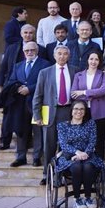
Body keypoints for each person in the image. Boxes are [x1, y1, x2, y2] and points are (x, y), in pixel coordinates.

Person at [32, 45, 78, 185]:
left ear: (68, 56)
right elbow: (38, 96)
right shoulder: (45, 72)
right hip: (50, 113)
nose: (62, 56)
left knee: (67, 145)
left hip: (69, 112)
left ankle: (64, 174)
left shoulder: (75, 71)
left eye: (65, 54)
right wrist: (37, 115)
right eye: (59, 54)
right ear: (54, 56)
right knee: (49, 145)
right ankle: (47, 174)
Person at [2, 41, 51, 167]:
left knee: (38, 131)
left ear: (37, 51)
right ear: (23, 52)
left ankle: (36, 157)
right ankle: (21, 157)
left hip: (38, 103)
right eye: (27, 51)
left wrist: (29, 89)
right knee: (20, 130)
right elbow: (12, 80)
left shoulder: (45, 64)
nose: (29, 52)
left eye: (32, 50)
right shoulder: (18, 65)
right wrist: (18, 88)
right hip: (20, 103)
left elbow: (46, 82)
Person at [55, 101, 105, 208]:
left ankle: (88, 198)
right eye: (76, 109)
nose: (79, 111)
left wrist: (85, 154)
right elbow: (64, 144)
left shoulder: (91, 124)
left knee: (87, 166)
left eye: (82, 109)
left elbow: (92, 141)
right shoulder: (62, 126)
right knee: (76, 166)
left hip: (88, 155)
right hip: (69, 156)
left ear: (85, 111)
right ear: (71, 111)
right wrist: (77, 153)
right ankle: (77, 199)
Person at [71, 51, 105, 159]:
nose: (93, 61)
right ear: (87, 60)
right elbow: (74, 93)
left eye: (96, 59)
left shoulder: (104, 75)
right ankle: (85, 164)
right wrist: (94, 93)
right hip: (82, 111)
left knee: (99, 141)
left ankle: (99, 167)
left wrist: (84, 92)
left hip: (100, 113)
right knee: (83, 140)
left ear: (99, 62)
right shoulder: (78, 75)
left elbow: (103, 90)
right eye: (91, 59)